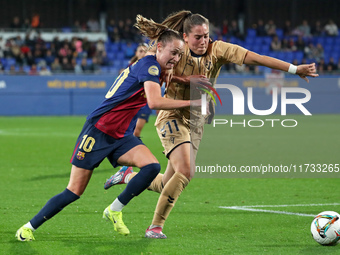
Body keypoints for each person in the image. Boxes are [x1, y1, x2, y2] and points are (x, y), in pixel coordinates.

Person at [105, 10, 318, 239]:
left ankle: (128, 176)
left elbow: (255, 57)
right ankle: (155, 226)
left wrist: (295, 69)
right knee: (186, 172)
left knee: (168, 181)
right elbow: (152, 71)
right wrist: (182, 79)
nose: (203, 41)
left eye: (206, 35)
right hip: (172, 116)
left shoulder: (218, 49)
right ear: (185, 37)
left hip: (196, 122)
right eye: (198, 37)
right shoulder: (175, 50)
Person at [15, 26, 200, 241]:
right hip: (98, 132)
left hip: (120, 136)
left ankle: (114, 209)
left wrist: (182, 80)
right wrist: (192, 102)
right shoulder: (150, 66)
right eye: (173, 52)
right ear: (159, 47)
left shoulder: (152, 63)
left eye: (179, 54)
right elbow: (154, 102)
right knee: (74, 192)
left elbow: (156, 75)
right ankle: (28, 227)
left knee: (151, 167)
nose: (176, 58)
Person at [104, 43, 153, 188]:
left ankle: (127, 167)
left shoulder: (150, 67)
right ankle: (126, 168)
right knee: (128, 132)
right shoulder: (131, 68)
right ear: (136, 53)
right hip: (130, 104)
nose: (143, 52)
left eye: (145, 50)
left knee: (136, 131)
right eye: (140, 50)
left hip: (143, 103)